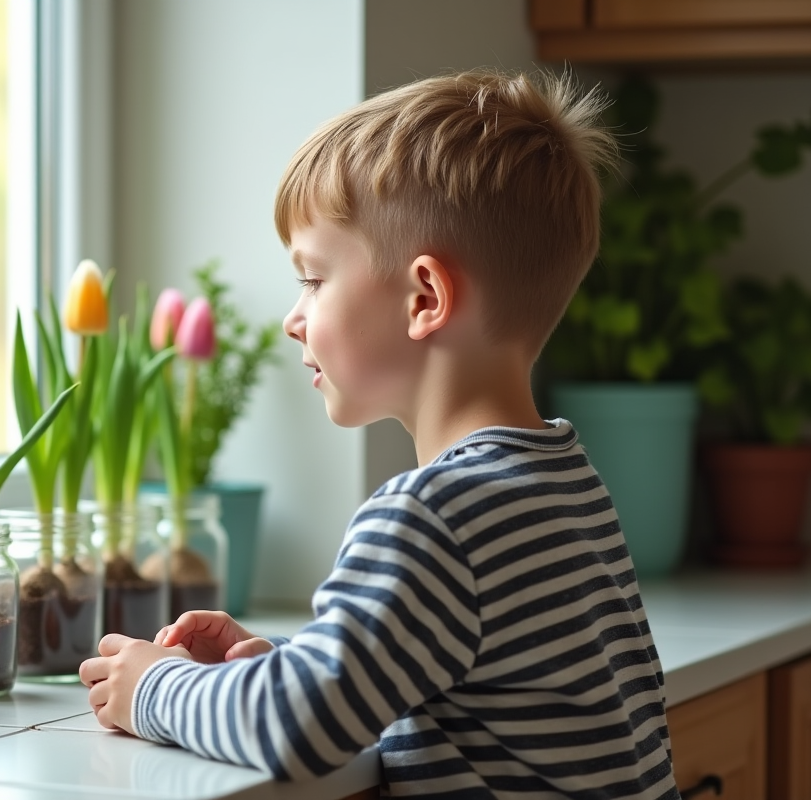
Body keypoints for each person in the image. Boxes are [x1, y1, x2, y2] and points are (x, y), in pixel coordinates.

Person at [80, 68, 678, 798]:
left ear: (424, 297)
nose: (292, 318)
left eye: (312, 279)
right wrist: (280, 665)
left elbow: (300, 728)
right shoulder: (560, 482)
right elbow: (453, 682)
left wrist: (152, 686)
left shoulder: (432, 517)